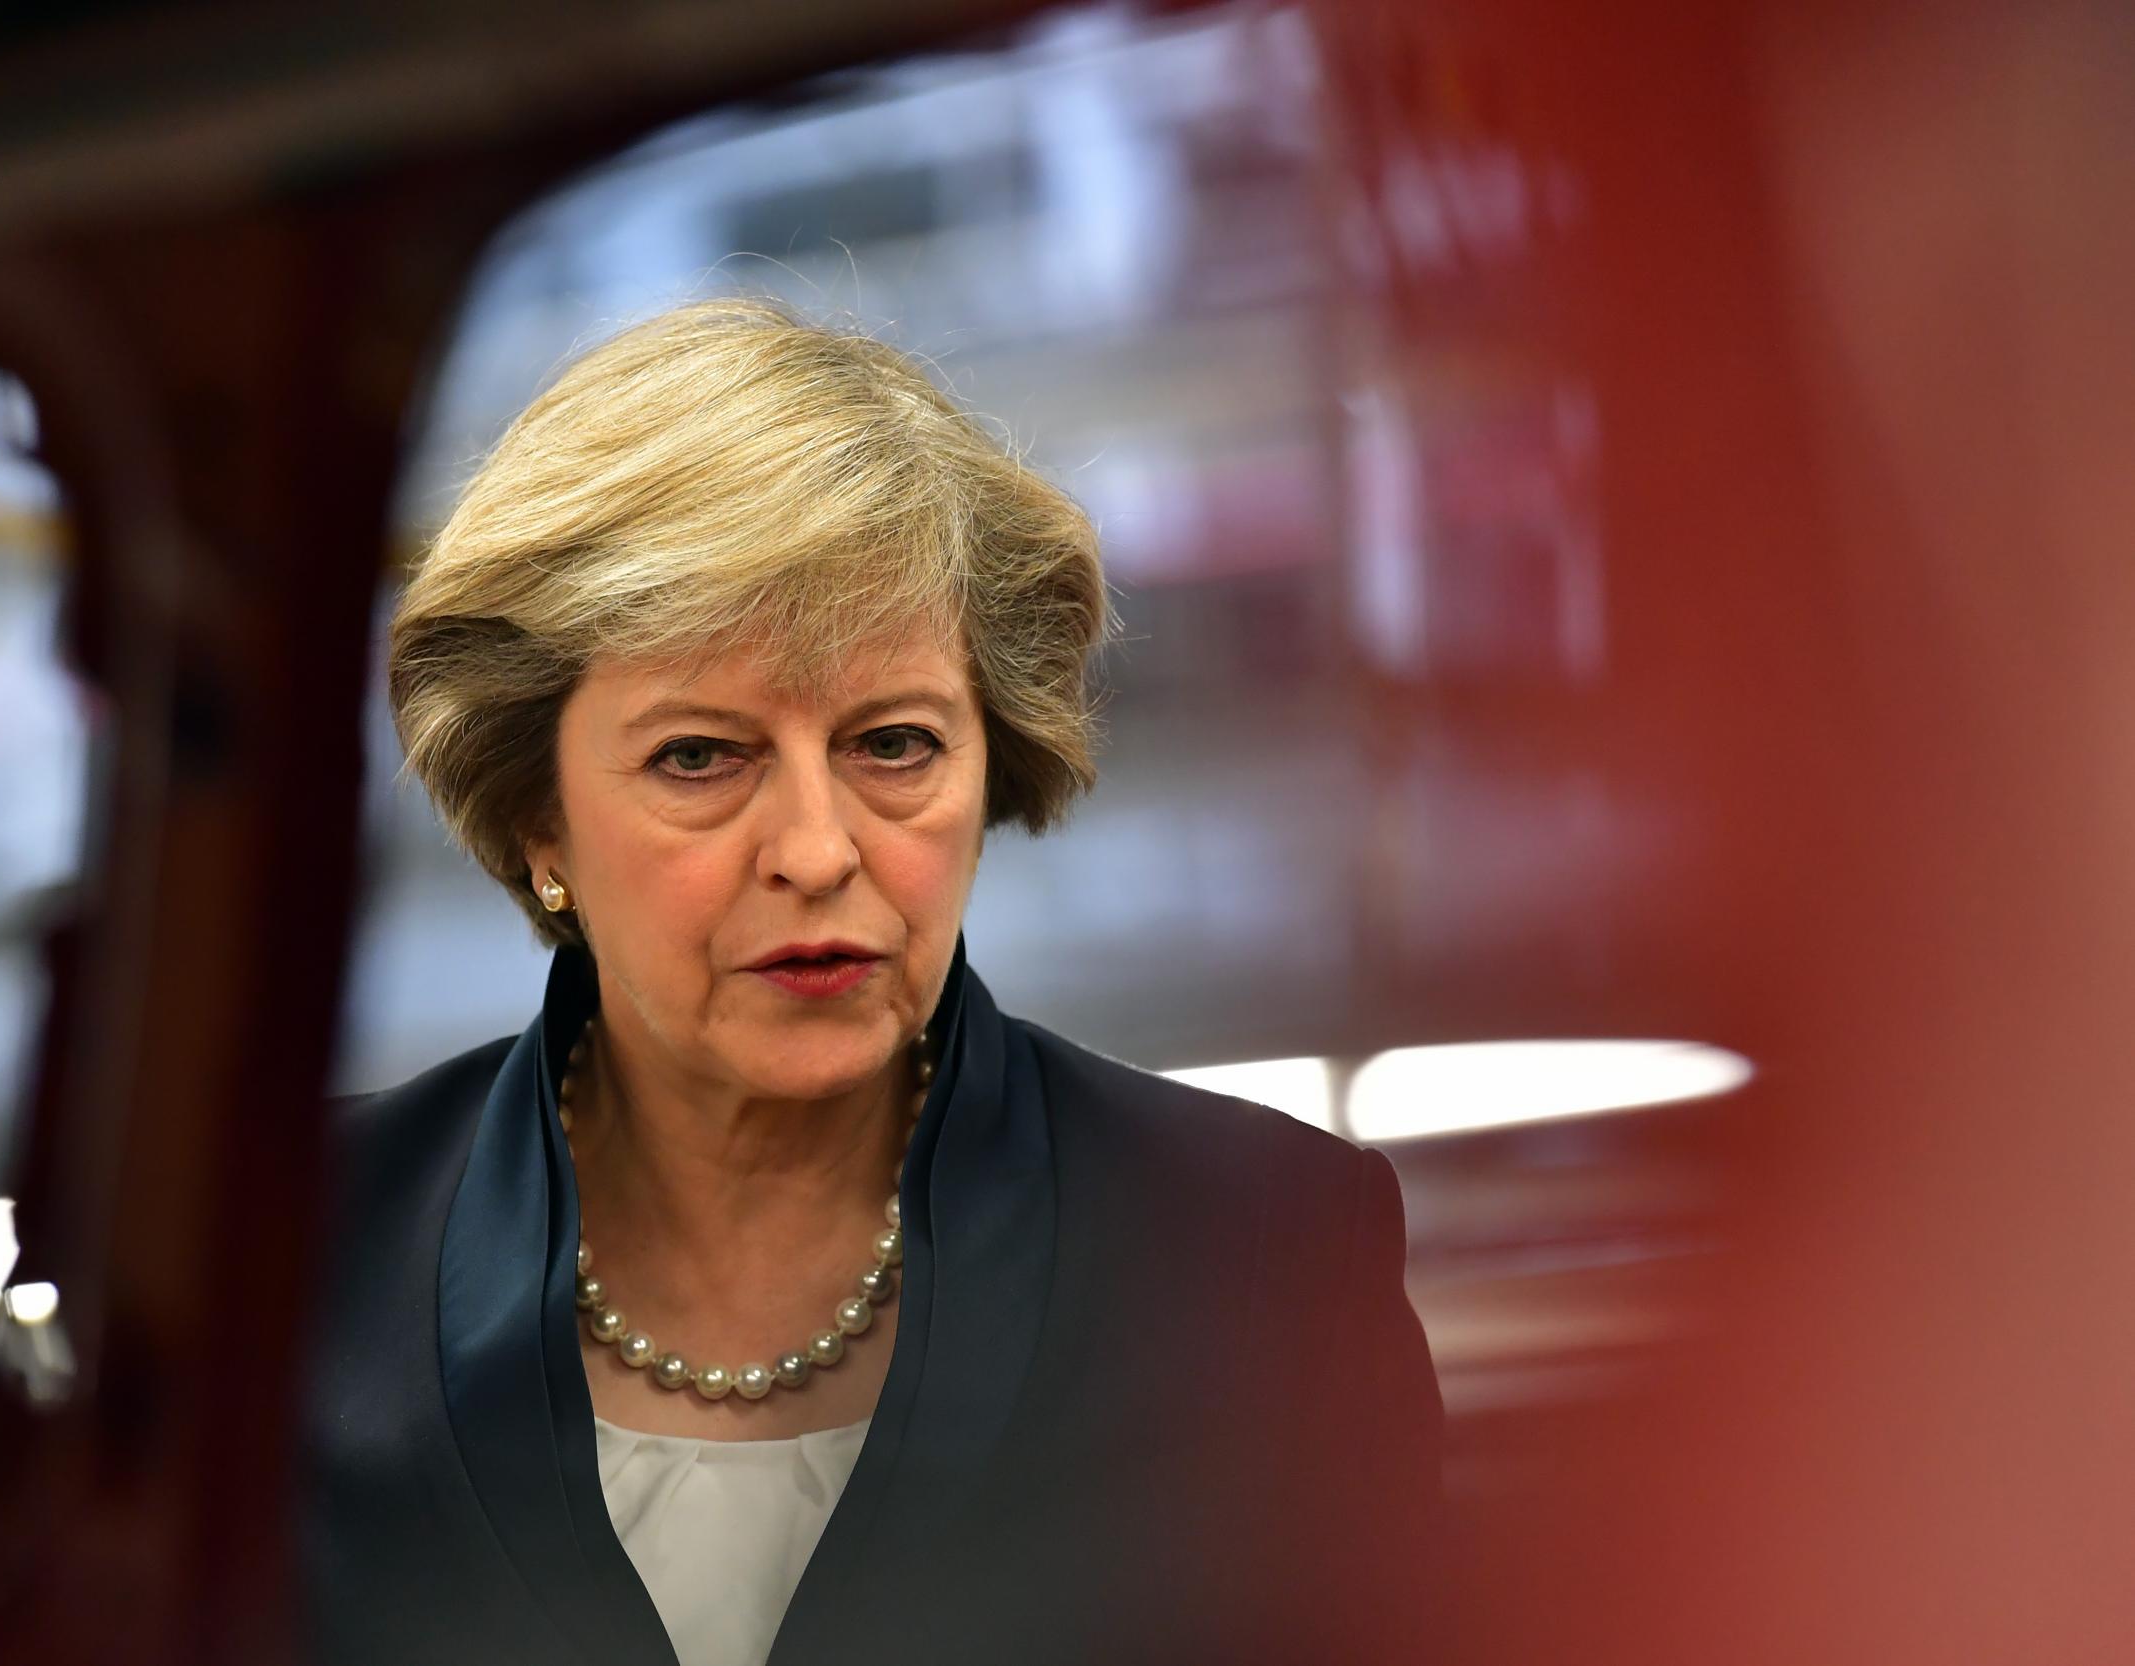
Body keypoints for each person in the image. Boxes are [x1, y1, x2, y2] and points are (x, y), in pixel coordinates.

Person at [300, 297, 1443, 1666]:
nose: (818, 848)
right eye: (699, 756)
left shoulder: (1265, 1261)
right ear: (538, 816)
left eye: (893, 743)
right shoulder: (288, 1268)